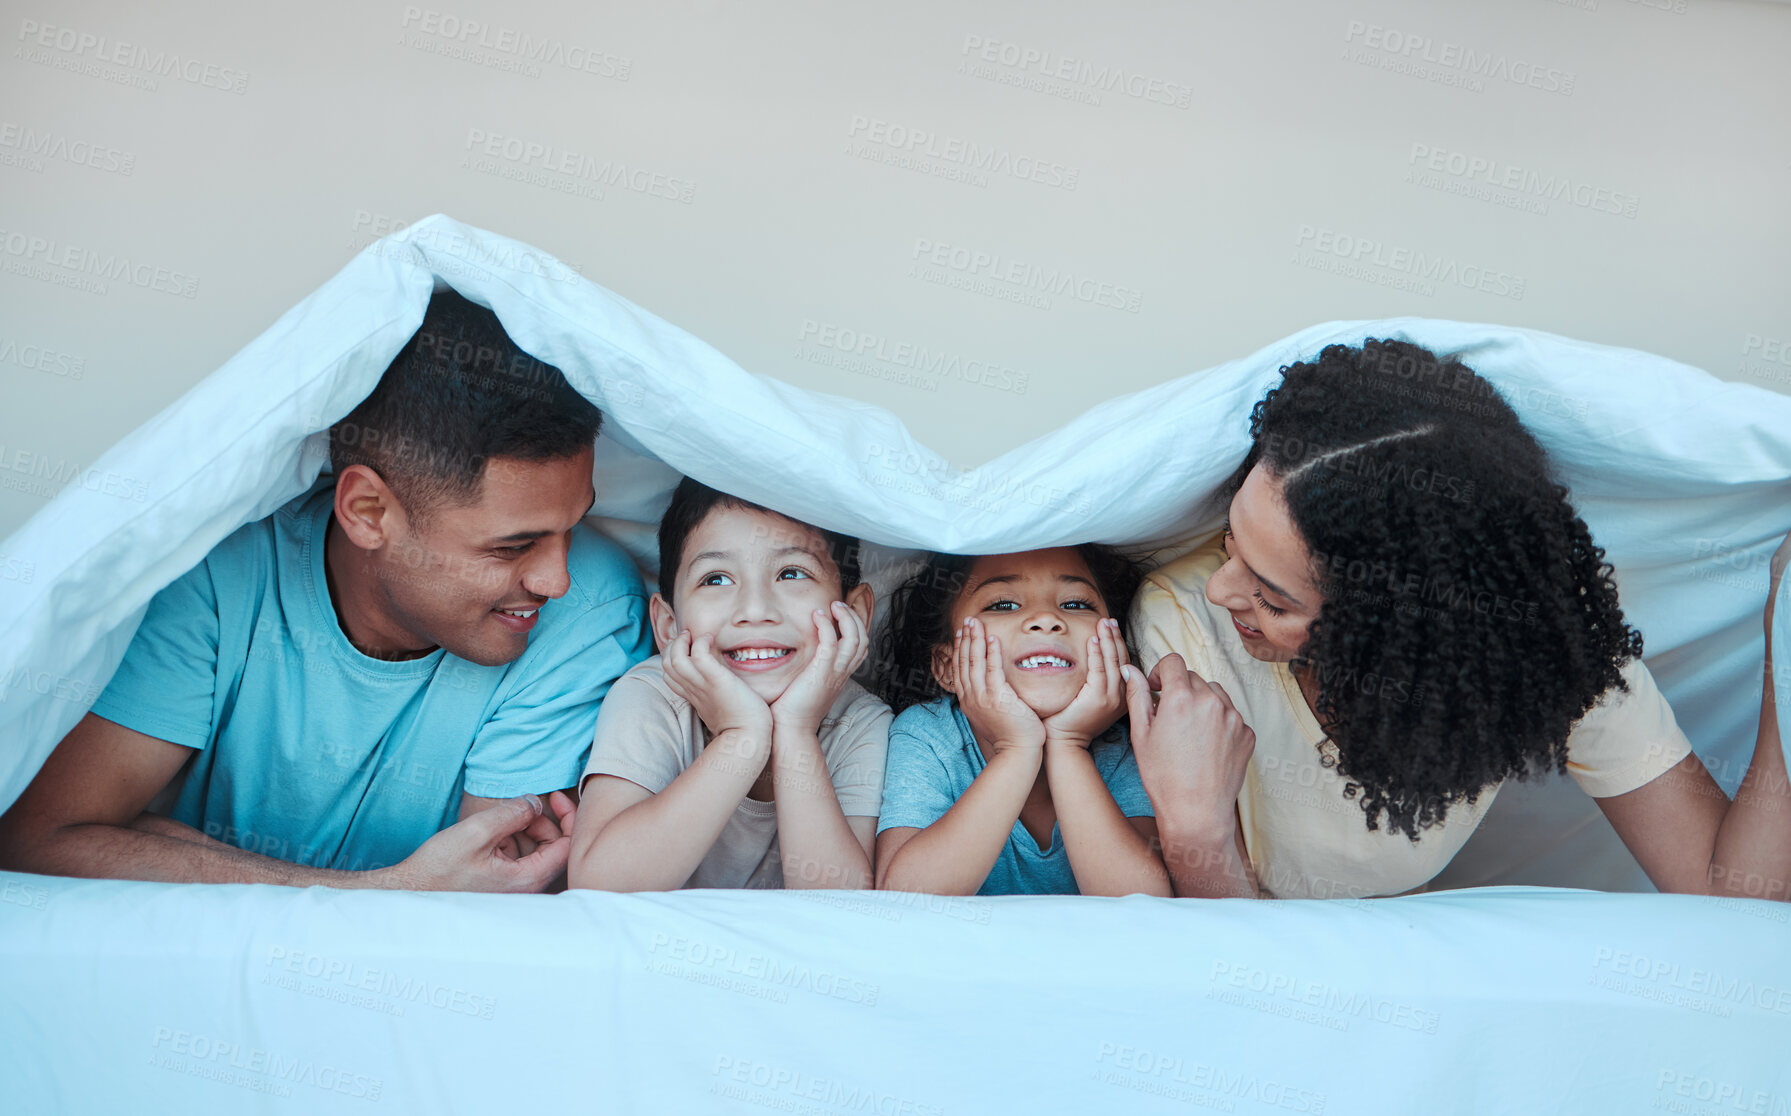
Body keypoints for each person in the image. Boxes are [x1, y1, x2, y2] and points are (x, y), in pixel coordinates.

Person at [0, 288, 652, 891]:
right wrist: (378, 894)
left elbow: (481, 894)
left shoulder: (590, 607)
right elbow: (43, 837)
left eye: (573, 525)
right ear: (369, 512)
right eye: (511, 546)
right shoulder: (221, 573)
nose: (554, 580)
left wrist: (167, 849)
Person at [1124, 338, 1791, 900]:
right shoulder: (1182, 630)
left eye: (1274, 600)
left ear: (1387, 632)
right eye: (1227, 544)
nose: (1219, 590)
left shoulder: (1536, 654)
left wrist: (1780, 652)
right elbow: (1226, 964)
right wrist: (1195, 830)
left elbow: (1725, 892)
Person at [568, 479, 889, 890]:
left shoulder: (860, 723)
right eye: (716, 579)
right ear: (668, 627)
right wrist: (743, 737)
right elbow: (599, 887)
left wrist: (795, 731)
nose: (754, 610)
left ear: (855, 613)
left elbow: (843, 913)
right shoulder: (653, 697)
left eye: (792, 573)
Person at [874, 545, 1170, 897]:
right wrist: (1017, 750)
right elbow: (903, 898)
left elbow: (1145, 905)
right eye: (1003, 605)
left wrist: (1068, 744)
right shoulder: (927, 736)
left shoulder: (1126, 745)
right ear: (947, 667)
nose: (1046, 619)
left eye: (1076, 604)